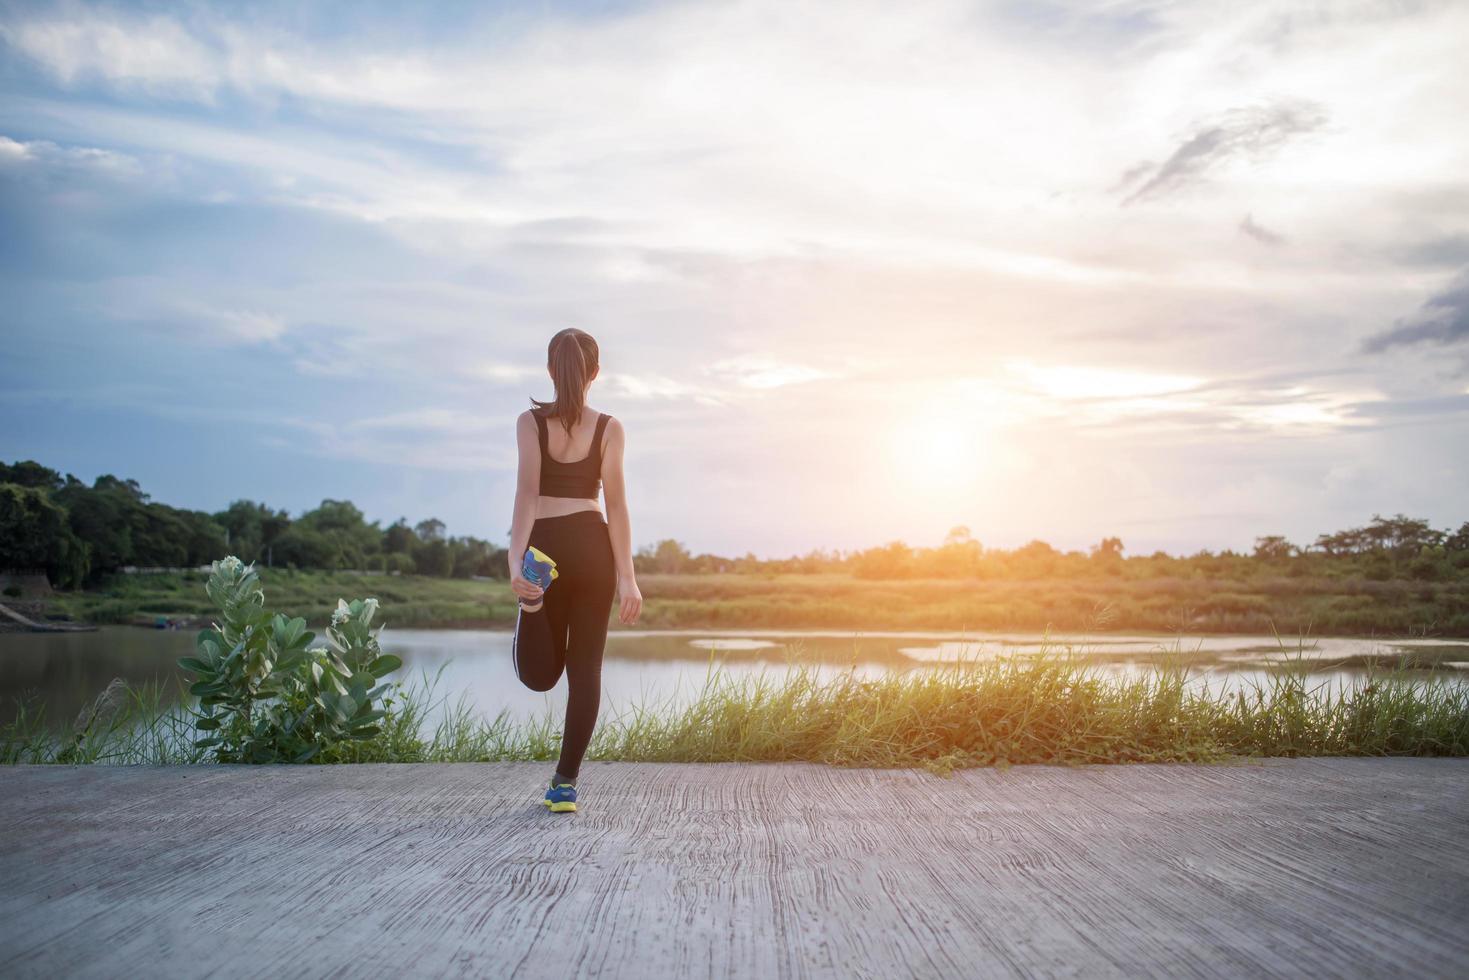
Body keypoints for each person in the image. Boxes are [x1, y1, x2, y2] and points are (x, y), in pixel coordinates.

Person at [508, 327, 642, 813]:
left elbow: (527, 494)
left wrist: (515, 557)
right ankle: (564, 784)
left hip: (545, 548)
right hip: (593, 548)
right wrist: (627, 576)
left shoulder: (530, 422)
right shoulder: (610, 427)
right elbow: (618, 507)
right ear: (596, 373)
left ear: (549, 369)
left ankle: (533, 603)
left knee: (539, 677)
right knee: (586, 672)